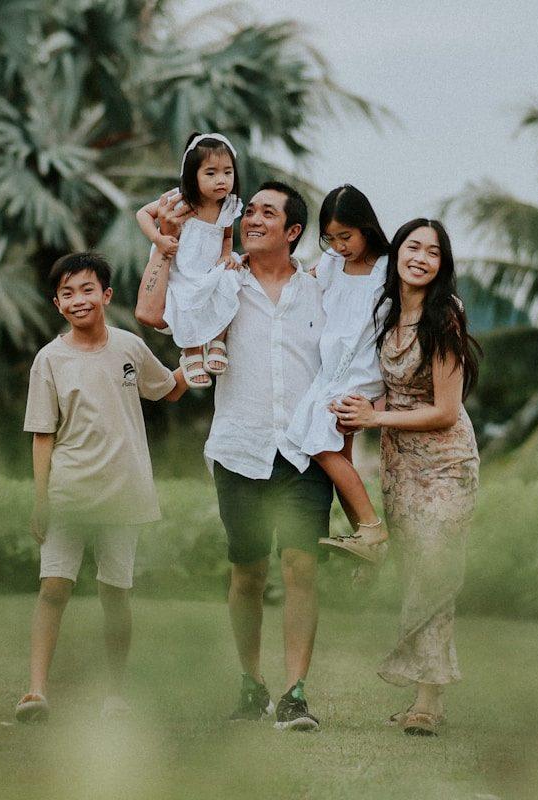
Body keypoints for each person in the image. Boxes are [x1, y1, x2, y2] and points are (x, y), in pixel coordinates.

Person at [135, 180, 332, 732]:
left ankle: (295, 693)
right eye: (251, 211)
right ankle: (251, 684)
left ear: (293, 231)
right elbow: (151, 311)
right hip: (239, 448)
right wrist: (164, 243)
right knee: (248, 571)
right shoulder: (220, 280)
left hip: (305, 451)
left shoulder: (319, 290)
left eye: (269, 213)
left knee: (301, 567)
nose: (253, 219)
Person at [14, 252, 188, 724]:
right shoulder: (50, 359)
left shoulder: (130, 347)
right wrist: (41, 501)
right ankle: (35, 691)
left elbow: (168, 388)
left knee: (115, 594)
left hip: (123, 494)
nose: (79, 300)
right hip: (68, 494)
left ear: (106, 295)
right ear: (57, 304)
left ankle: (115, 694)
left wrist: (199, 356)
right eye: (67, 293)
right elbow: (42, 435)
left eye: (87, 290)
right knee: (54, 588)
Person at [331, 219, 482, 737]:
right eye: (413, 247)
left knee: (435, 572)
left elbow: (445, 410)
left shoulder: (445, 316)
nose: (421, 258)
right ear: (396, 254)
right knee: (416, 571)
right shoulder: (386, 313)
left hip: (447, 463)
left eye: (433, 252)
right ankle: (425, 691)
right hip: (400, 464)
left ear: (442, 265)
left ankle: (428, 702)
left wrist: (374, 419)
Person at [281, 184, 391, 563]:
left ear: (366, 228)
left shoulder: (386, 269)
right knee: (338, 456)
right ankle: (366, 539)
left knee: (318, 443)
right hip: (330, 370)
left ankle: (372, 528)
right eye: (331, 238)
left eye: (346, 236)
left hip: (360, 369)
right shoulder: (330, 264)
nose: (340, 246)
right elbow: (303, 283)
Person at [136, 132, 243, 389]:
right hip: (181, 267)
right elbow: (143, 213)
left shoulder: (228, 206)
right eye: (211, 173)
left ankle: (216, 342)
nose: (221, 180)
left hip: (209, 267)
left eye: (227, 172)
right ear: (192, 175)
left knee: (228, 281)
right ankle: (191, 352)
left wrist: (225, 255)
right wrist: (159, 238)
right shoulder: (179, 199)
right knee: (185, 299)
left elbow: (227, 236)